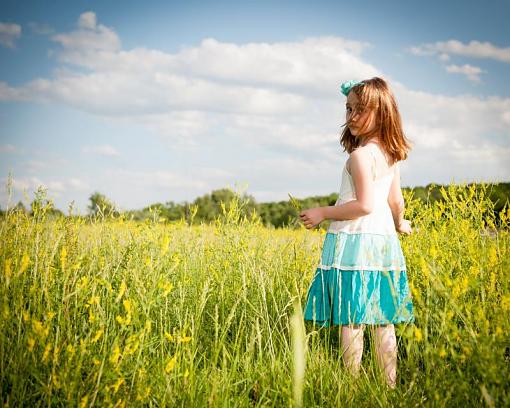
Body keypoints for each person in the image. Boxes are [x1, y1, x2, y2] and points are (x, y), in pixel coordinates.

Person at [300, 77, 415, 389]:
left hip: (355, 242)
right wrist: (400, 223)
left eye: (359, 111)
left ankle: (350, 386)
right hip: (383, 244)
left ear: (381, 114)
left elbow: (363, 205)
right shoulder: (392, 155)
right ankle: (388, 386)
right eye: (348, 108)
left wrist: (323, 213)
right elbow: (395, 200)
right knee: (382, 319)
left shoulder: (360, 156)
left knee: (352, 318)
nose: (350, 116)